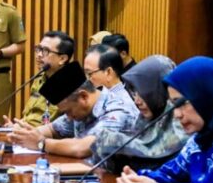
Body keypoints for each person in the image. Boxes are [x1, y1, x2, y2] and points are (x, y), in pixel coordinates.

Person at [8, 61, 137, 159]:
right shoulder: (79, 108)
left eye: (68, 111)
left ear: (84, 96)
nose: (68, 117)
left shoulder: (117, 110)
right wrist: (23, 134)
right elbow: (52, 129)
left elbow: (83, 148)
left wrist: (41, 143)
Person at [90, 55, 188, 173]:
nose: (137, 101)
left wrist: (116, 142)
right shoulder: (144, 120)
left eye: (143, 92)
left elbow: (157, 163)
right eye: (134, 93)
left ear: (159, 89)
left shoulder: (182, 122)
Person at [17, 30, 75, 127]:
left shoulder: (71, 85)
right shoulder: (39, 79)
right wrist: (17, 125)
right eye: (39, 49)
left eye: (45, 51)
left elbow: (66, 126)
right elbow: (30, 114)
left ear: (62, 59)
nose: (39, 54)